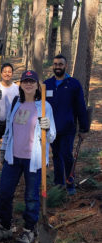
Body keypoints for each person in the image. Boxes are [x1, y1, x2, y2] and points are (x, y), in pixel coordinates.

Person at [0, 70, 56, 243]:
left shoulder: (44, 106)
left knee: (31, 196)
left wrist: (47, 128)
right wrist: (3, 149)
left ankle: (29, 230)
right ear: (21, 84)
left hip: (33, 160)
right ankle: (5, 227)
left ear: (37, 85)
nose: (28, 84)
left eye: (32, 81)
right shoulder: (16, 103)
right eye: (25, 81)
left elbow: (52, 136)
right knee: (4, 192)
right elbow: (9, 130)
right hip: (13, 157)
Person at [44, 54, 89, 195]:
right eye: (55, 64)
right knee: (56, 156)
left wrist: (84, 128)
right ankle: (59, 183)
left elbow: (81, 107)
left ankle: (70, 183)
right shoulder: (46, 84)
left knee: (66, 154)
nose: (58, 66)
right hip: (51, 129)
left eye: (60, 64)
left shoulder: (73, 84)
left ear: (66, 66)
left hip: (68, 127)